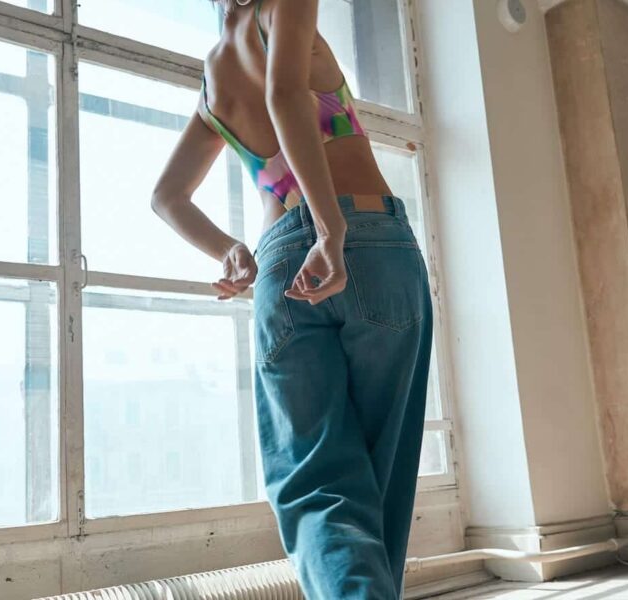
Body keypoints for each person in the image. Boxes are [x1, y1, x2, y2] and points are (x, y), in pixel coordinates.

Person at [151, 0, 432, 597]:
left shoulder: (213, 81)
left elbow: (167, 196)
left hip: (281, 263)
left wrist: (230, 250)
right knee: (381, 471)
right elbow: (285, 95)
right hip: (369, 240)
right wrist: (330, 230)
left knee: (317, 484)